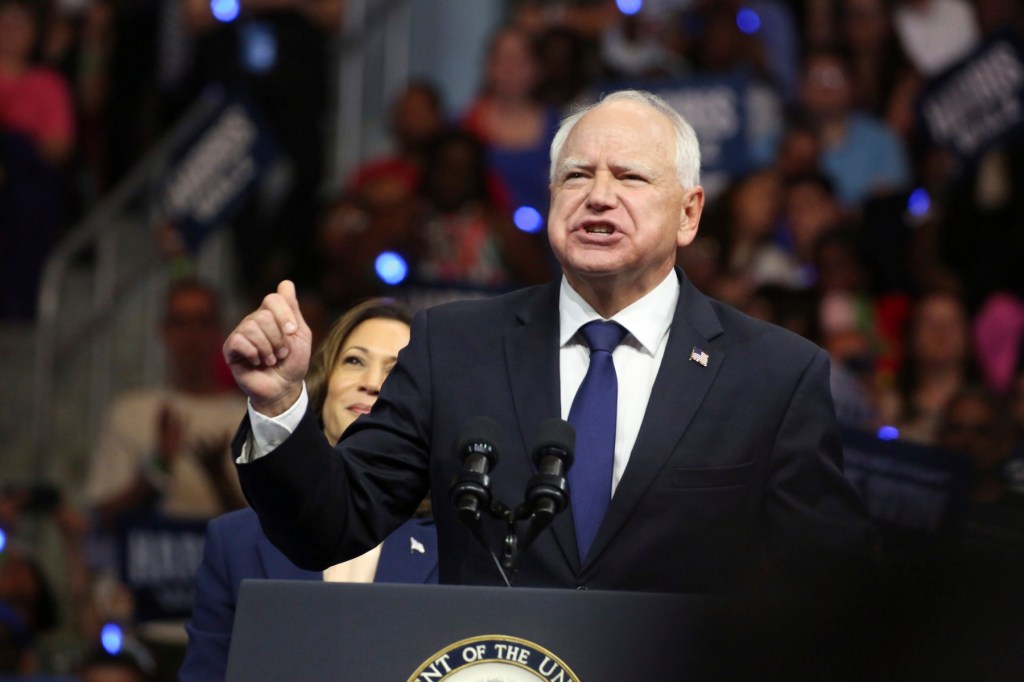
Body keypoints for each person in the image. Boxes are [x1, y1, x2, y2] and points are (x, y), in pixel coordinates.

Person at [224, 89, 876, 596]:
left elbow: (831, 587)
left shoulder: (773, 374)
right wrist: (279, 404)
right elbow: (332, 524)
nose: (598, 197)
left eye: (629, 177)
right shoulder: (453, 346)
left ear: (689, 213)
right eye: (577, 176)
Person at [179, 299, 438, 679]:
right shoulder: (233, 542)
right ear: (323, 381)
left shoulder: (459, 544)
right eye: (354, 360)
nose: (371, 382)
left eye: (397, 370)